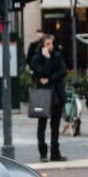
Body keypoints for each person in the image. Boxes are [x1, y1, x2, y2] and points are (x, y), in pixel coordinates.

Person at [29, 34, 68, 162]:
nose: (50, 46)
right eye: (47, 44)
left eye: (51, 43)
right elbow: (42, 72)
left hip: (56, 94)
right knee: (42, 124)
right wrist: (47, 59)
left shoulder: (57, 55)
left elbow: (62, 71)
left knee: (55, 125)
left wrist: (50, 78)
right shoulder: (36, 59)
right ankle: (43, 153)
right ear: (42, 45)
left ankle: (55, 152)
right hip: (43, 95)